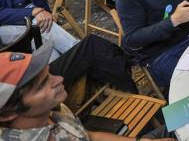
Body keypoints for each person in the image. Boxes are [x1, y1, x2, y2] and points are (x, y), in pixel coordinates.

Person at [0, 42, 173, 141]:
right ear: (8, 113)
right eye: (42, 85)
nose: (59, 79)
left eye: (50, 74)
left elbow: (88, 136)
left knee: (187, 115)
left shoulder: (51, 110)